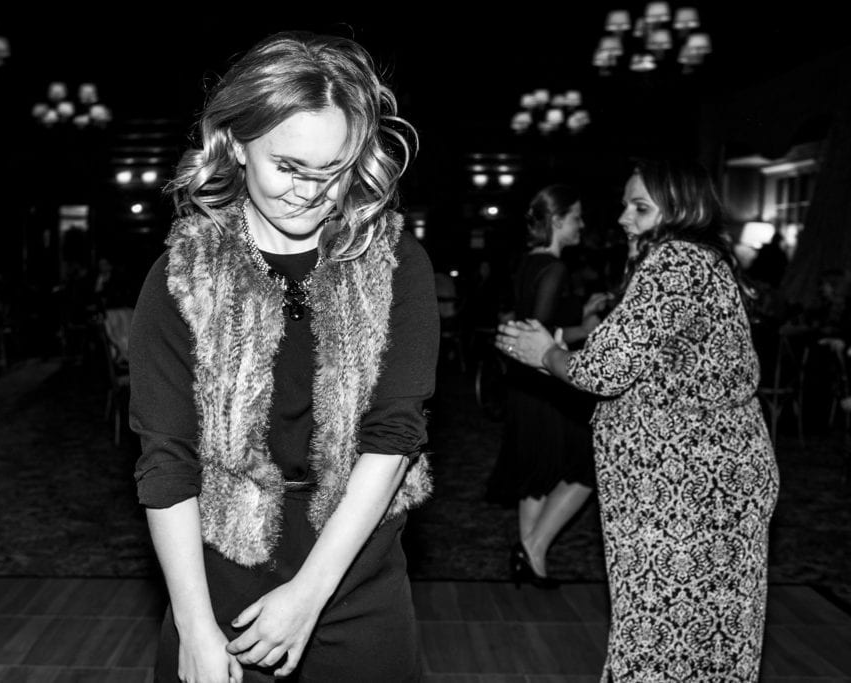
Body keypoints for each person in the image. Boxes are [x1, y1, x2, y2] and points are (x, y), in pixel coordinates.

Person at [129, 31, 438, 683]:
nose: (309, 193)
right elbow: (165, 461)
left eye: (332, 173)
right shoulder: (182, 274)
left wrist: (308, 595)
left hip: (356, 574)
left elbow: (393, 440)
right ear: (237, 144)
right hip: (217, 581)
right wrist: (194, 625)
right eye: (288, 166)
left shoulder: (396, 264)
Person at [499, 159, 779, 680]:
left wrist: (545, 354)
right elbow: (640, 354)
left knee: (660, 628)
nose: (625, 218)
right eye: (627, 204)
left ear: (681, 211)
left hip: (688, 486)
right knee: (703, 631)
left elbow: (604, 369)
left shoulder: (674, 261)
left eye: (640, 207)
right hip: (702, 477)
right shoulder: (703, 260)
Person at [484, 185, 611, 588]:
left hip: (525, 387)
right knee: (583, 469)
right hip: (546, 385)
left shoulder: (529, 262)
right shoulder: (555, 267)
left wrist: (579, 313)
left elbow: (533, 318)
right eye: (576, 217)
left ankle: (530, 557)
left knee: (536, 470)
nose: (582, 225)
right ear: (557, 221)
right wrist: (586, 327)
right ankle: (534, 547)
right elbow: (537, 330)